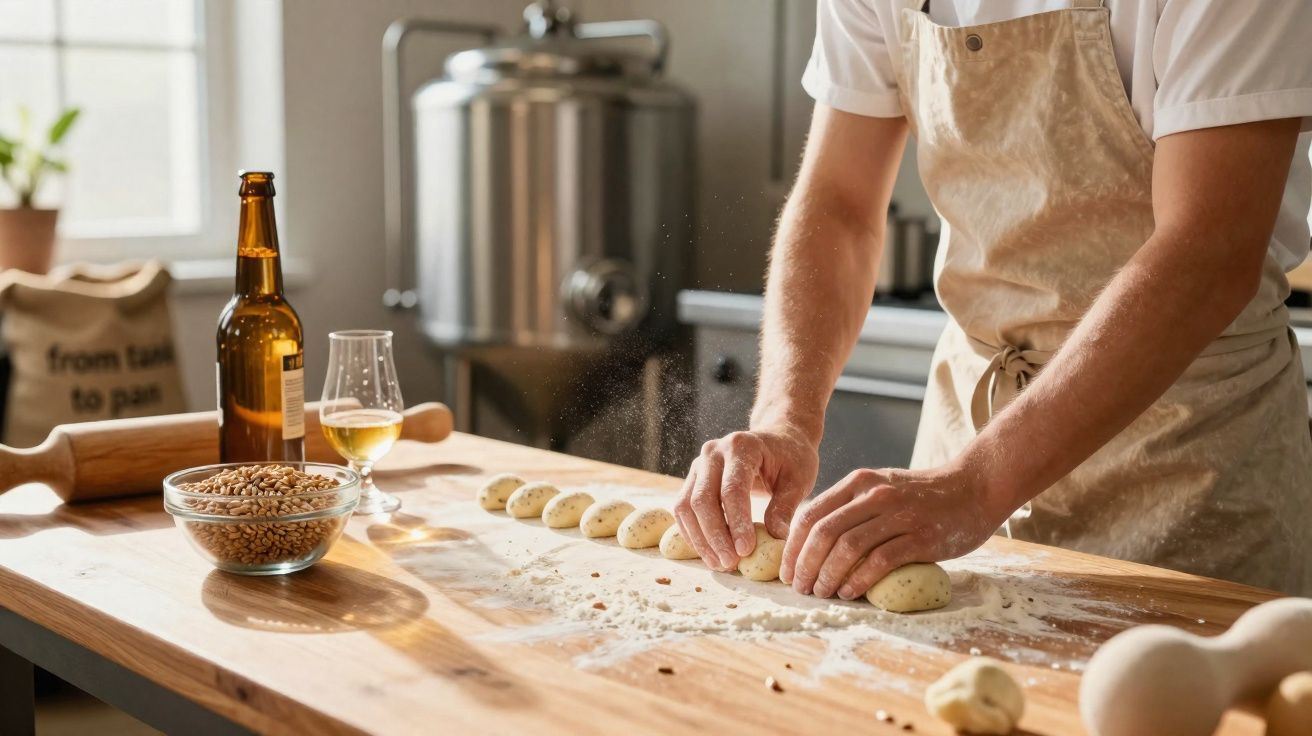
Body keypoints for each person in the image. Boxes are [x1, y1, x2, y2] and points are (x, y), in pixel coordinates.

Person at [676, 0, 1312, 597]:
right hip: (964, 446)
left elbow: (1208, 250)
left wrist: (979, 483)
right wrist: (785, 418)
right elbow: (839, 205)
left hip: (1189, 458)